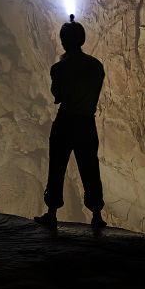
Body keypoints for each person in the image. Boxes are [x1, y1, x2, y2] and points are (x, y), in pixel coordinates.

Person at [34, 14, 107, 228]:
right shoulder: (96, 66)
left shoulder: (59, 68)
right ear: (82, 40)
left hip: (65, 122)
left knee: (57, 167)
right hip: (86, 123)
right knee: (90, 168)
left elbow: (57, 97)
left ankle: (52, 213)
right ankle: (97, 215)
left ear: (63, 41)